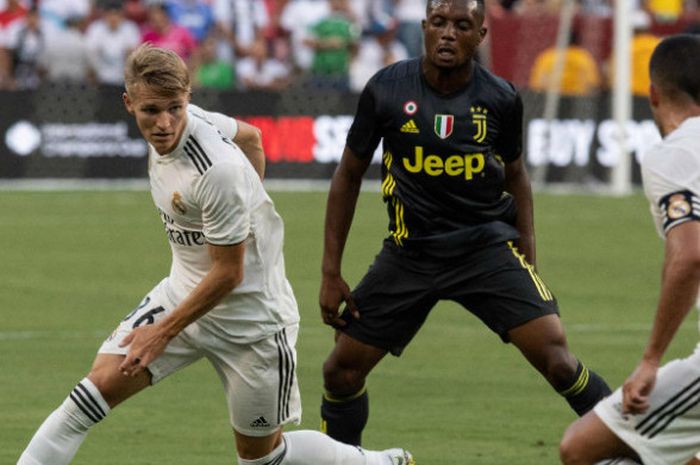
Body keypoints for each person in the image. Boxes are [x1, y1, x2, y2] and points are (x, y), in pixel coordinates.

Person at [16, 43, 414, 465]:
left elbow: (230, 273)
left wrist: (161, 332)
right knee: (89, 396)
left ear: (187, 98)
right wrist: (252, 196)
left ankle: (378, 463)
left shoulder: (215, 170)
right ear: (129, 103)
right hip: (181, 295)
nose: (166, 123)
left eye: (176, 108)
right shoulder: (191, 122)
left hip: (251, 324)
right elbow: (252, 136)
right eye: (152, 110)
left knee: (263, 458)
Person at [318, 0, 611, 448]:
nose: (448, 34)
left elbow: (517, 178)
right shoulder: (387, 89)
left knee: (556, 356)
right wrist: (330, 271)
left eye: (461, 25)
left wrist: (527, 254)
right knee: (341, 371)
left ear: (481, 35)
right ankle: (342, 460)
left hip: (485, 251)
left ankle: (633, 447)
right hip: (410, 253)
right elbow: (348, 175)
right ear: (424, 28)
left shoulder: (500, 98)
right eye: (439, 23)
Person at [559, 34, 700, 465]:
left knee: (580, 448)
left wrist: (650, 359)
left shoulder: (674, 153)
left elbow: (691, 254)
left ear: (653, 94)